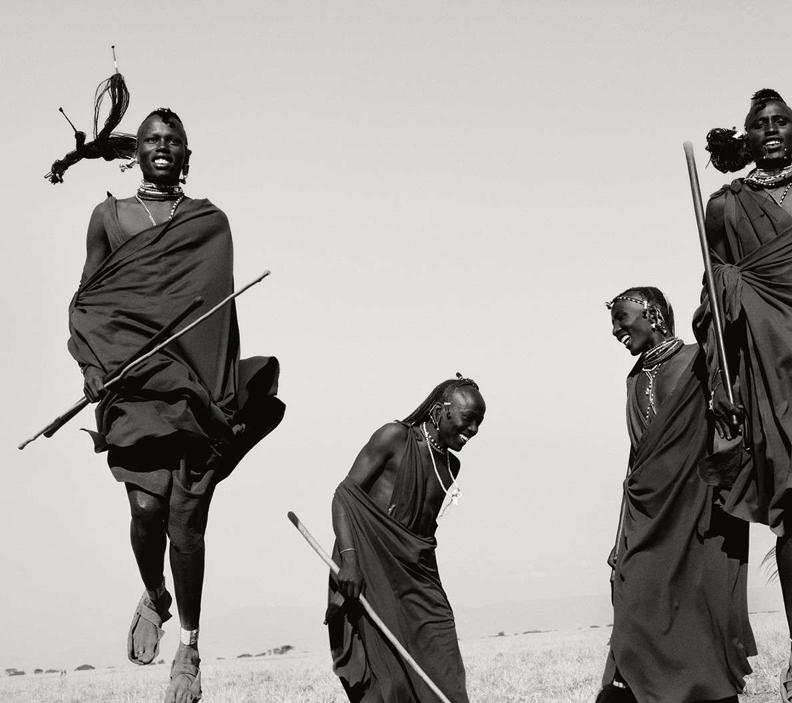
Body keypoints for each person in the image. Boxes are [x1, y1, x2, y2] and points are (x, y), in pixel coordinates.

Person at [67, 108, 284, 703]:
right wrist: (92, 371)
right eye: (152, 140)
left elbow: (218, 317)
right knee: (144, 507)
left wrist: (219, 389)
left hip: (193, 390)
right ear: (135, 152)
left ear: (188, 154)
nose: (163, 147)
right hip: (132, 385)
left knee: (187, 521)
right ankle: (155, 597)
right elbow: (86, 304)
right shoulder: (108, 217)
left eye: (173, 141)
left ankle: (188, 644)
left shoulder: (210, 223)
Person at [599, 288, 754, 703]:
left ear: (651, 315)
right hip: (649, 515)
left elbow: (728, 419)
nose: (616, 331)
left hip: (701, 509)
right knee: (633, 612)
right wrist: (620, 538)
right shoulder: (634, 378)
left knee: (702, 616)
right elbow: (636, 462)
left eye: (621, 320)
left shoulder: (700, 360)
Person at [700, 89, 792, 702]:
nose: (770, 130)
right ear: (747, 137)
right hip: (769, 374)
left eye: (779, 121)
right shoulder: (725, 207)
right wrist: (720, 378)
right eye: (758, 125)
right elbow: (713, 298)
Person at [326, 375, 485, 703]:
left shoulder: (451, 466)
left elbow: (421, 533)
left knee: (446, 670)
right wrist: (351, 560)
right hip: (370, 569)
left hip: (418, 578)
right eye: (468, 420)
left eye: (479, 424)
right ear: (444, 411)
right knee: (392, 682)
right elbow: (344, 495)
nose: (473, 431)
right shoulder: (395, 437)